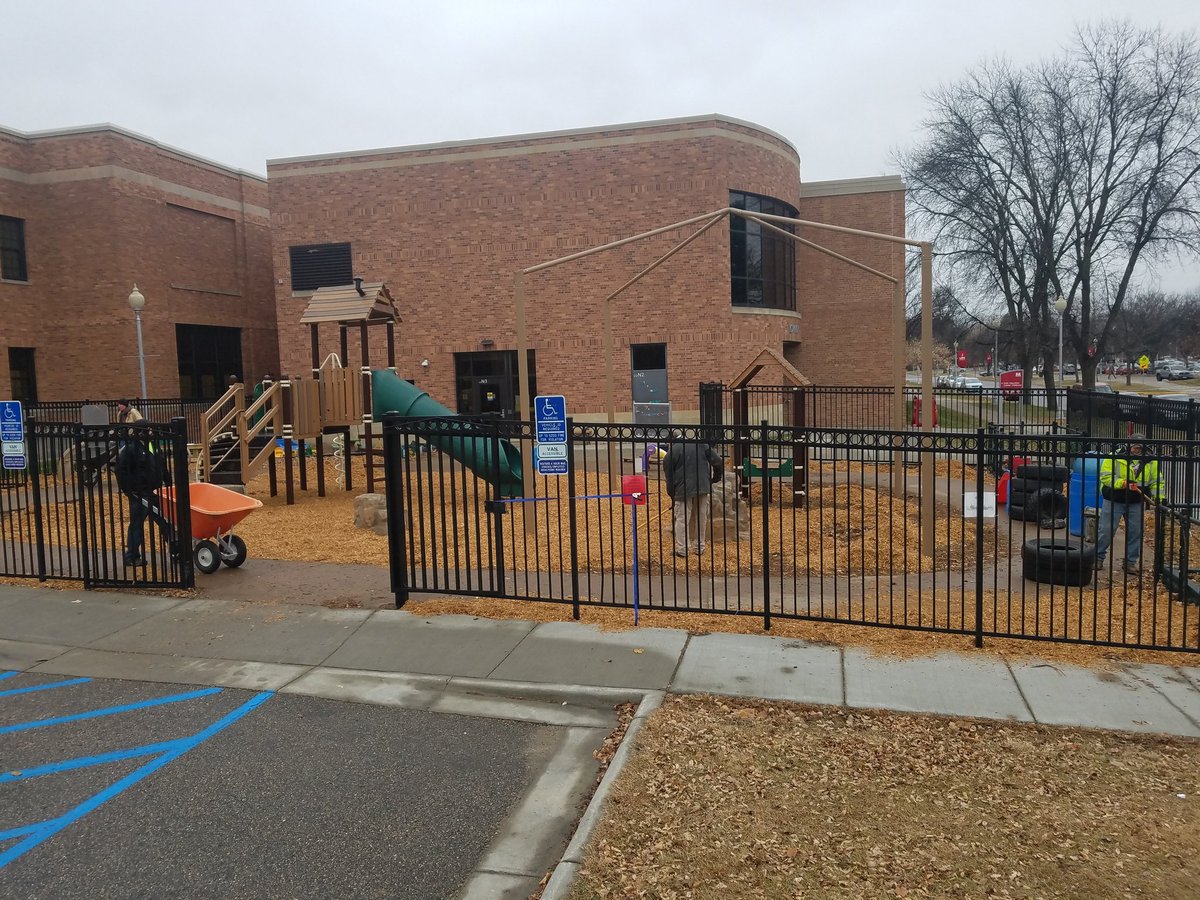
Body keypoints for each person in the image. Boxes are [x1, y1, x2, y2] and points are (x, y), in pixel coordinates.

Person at [1096, 433, 1165, 579]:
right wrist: (1122, 483)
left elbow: (1157, 482)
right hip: (1114, 498)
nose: (1136, 450)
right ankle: (1098, 557)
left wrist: (1159, 498)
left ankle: (1130, 562)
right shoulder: (1115, 456)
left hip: (1136, 501)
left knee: (1135, 532)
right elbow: (1105, 476)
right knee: (1106, 530)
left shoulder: (1151, 461)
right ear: (1128, 445)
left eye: (1139, 447)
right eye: (1134, 447)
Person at [115, 424, 175, 566]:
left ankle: (175, 550)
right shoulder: (130, 449)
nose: (151, 433)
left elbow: (161, 465)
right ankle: (132, 556)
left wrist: (168, 481)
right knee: (137, 524)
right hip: (139, 494)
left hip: (156, 492)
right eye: (149, 430)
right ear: (141, 432)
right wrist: (128, 490)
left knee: (167, 522)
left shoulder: (153, 447)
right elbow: (121, 470)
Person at [663, 431, 723, 558]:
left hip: (682, 489)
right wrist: (715, 478)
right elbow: (718, 461)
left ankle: (683, 549)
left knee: (682, 519)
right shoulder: (701, 444)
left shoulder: (672, 452)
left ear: (671, 441)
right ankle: (700, 547)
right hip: (703, 486)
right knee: (701, 517)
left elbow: (669, 477)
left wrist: (672, 494)